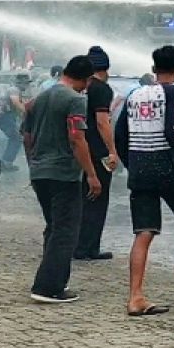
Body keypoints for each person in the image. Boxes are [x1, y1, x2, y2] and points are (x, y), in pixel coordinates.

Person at [114, 46, 174, 316]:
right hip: (166, 166)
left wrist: (130, 163)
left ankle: (135, 297)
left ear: (154, 67)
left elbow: (120, 134)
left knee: (143, 232)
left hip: (139, 168)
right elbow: (173, 133)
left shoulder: (134, 94)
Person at [21, 55, 99, 304]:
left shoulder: (39, 99)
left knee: (54, 228)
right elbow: (77, 138)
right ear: (86, 79)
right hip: (64, 174)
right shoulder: (75, 100)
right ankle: (48, 287)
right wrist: (91, 174)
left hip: (40, 172)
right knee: (65, 231)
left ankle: (52, 281)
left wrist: (32, 164)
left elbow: (27, 136)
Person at [74, 46, 120, 261]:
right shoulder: (101, 89)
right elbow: (102, 122)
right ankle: (88, 247)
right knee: (98, 197)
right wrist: (112, 150)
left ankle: (77, 244)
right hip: (97, 150)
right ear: (106, 68)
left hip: (78, 148)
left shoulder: (80, 87)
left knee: (82, 197)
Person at [0, 72, 33, 173]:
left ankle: (6, 162)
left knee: (16, 138)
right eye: (26, 83)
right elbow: (15, 102)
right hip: (4, 116)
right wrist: (27, 112)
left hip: (6, 116)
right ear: (20, 83)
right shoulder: (14, 90)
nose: (27, 85)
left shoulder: (15, 90)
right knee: (16, 138)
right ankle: (5, 163)